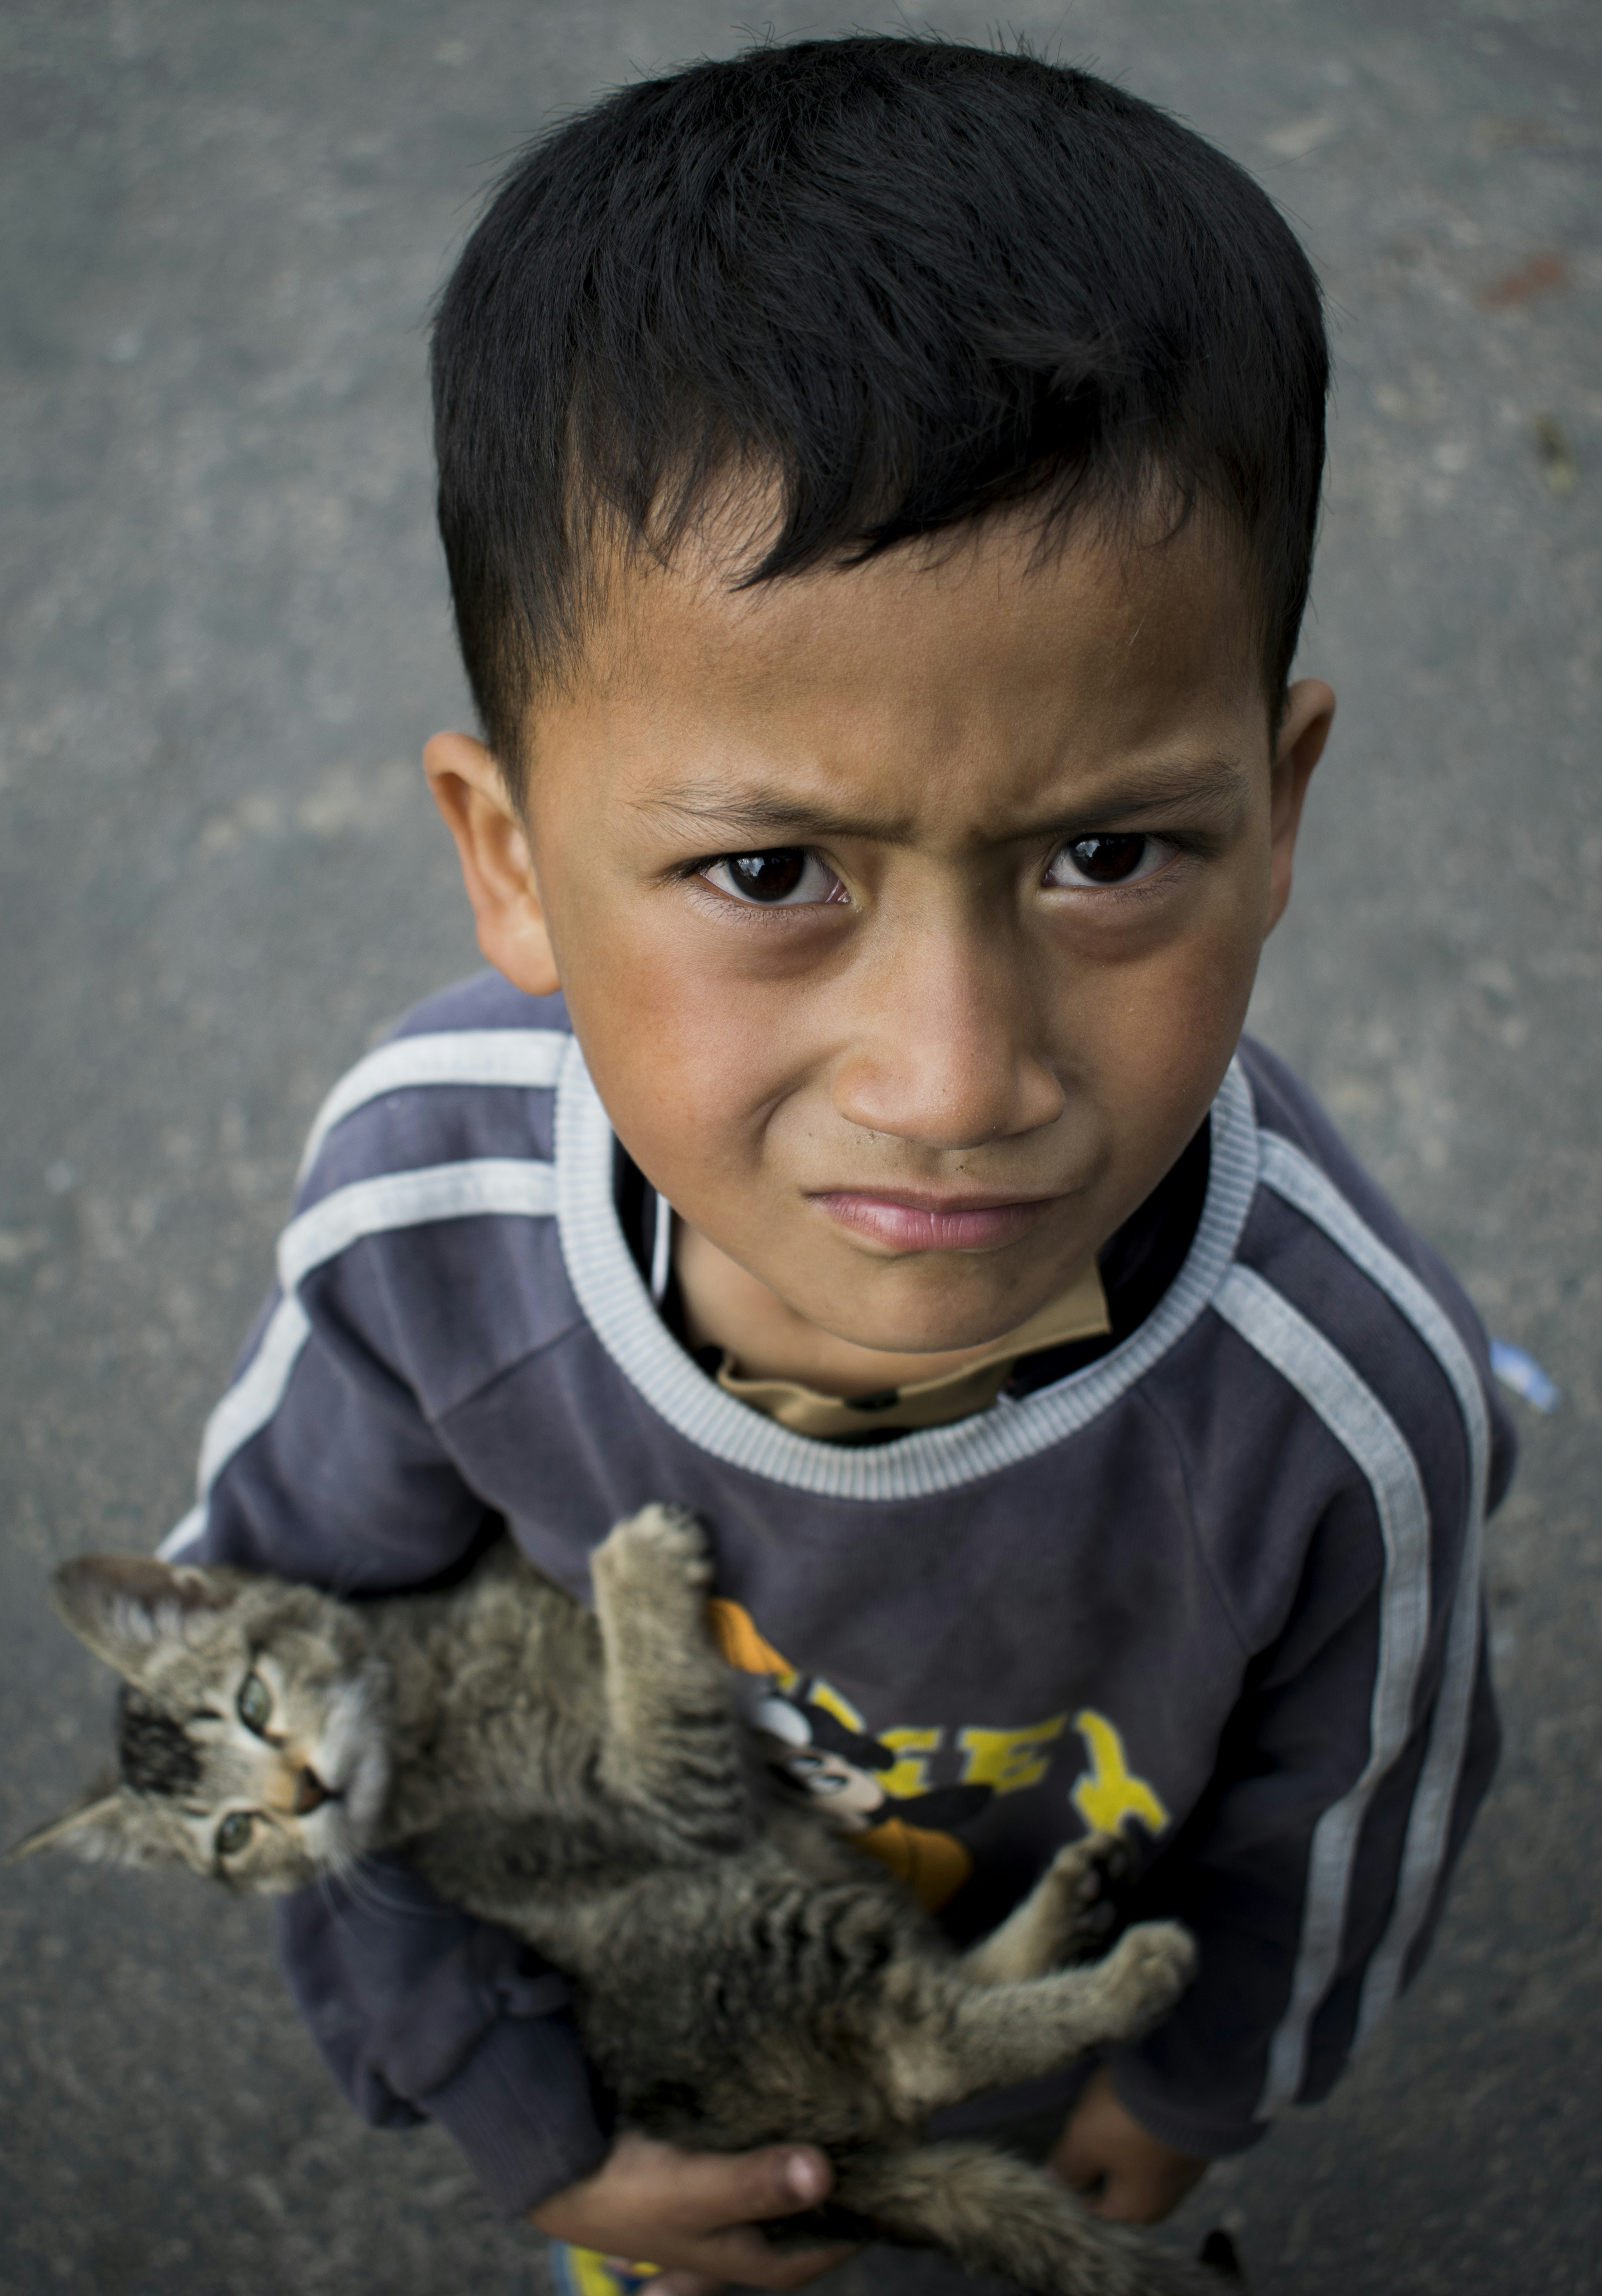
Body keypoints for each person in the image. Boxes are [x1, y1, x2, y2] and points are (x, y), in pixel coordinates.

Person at [165, 36, 1514, 2296]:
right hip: (652, 2103)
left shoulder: (1348, 1409)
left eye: (1109, 854)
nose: (956, 1077)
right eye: (772, 870)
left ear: (1277, 812)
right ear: (510, 859)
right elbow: (266, 1664)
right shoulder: (429, 1218)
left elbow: (1354, 1813)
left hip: (1026, 2102)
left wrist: (1192, 2095)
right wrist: (515, 2108)